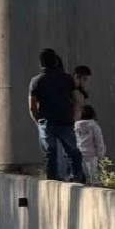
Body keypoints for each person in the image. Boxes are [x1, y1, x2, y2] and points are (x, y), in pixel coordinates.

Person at [29, 48, 86, 182]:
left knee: (50, 153)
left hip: (46, 121)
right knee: (72, 151)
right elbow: (76, 100)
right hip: (65, 120)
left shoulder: (36, 81)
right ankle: (78, 176)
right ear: (55, 61)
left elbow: (32, 107)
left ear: (40, 63)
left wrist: (38, 122)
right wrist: (74, 118)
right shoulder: (67, 79)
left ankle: (52, 179)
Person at [74, 105, 106, 185]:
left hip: (79, 153)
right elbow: (99, 141)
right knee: (93, 175)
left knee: (83, 177)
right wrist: (101, 154)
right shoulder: (94, 127)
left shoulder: (76, 126)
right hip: (92, 154)